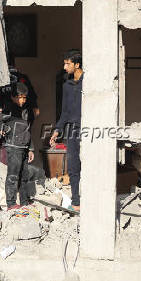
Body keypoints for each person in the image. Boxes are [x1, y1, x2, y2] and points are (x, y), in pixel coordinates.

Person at [0, 82, 35, 210]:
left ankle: (24, 201)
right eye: (20, 97)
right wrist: (3, 129)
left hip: (25, 148)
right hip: (13, 147)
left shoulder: (26, 111)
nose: (23, 100)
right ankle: (11, 203)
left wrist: (31, 148)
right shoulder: (9, 109)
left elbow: (28, 130)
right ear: (13, 97)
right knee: (13, 176)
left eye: (25, 97)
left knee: (24, 176)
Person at [49, 49, 83, 212]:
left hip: (90, 129)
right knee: (73, 166)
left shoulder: (89, 82)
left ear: (77, 65)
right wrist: (57, 130)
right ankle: (77, 202)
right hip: (71, 130)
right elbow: (65, 112)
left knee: (92, 164)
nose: (64, 67)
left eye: (67, 63)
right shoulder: (67, 85)